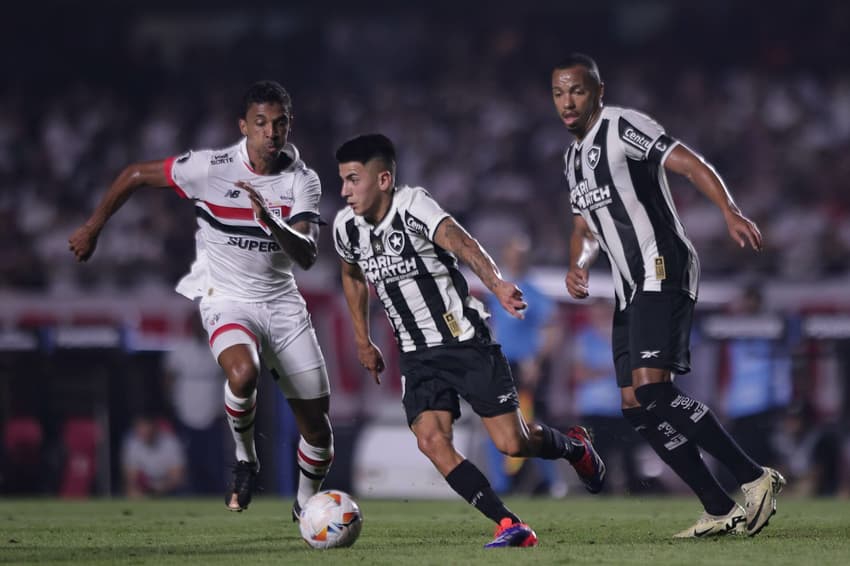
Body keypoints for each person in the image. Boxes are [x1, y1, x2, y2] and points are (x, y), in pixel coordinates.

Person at [69, 81, 334, 518]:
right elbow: (135, 174)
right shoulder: (211, 168)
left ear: (290, 127)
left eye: (279, 124)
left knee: (318, 430)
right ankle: (246, 459)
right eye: (261, 123)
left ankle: (305, 506)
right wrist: (93, 228)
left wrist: (271, 221)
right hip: (225, 296)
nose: (270, 133)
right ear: (243, 126)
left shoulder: (302, 181)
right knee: (243, 372)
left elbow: (306, 254)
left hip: (283, 305)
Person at [332, 133, 606, 548]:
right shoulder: (345, 227)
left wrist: (496, 285)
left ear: (384, 179)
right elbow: (352, 275)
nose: (345, 191)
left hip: (463, 341)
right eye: (342, 181)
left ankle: (575, 448)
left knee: (511, 442)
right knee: (431, 440)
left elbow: (463, 243)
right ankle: (508, 523)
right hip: (415, 354)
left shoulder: (414, 206)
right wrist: (361, 339)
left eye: (353, 180)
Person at [554, 53, 785, 538]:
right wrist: (578, 263)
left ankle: (754, 477)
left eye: (576, 90)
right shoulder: (573, 160)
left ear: (598, 91)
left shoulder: (622, 126)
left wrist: (730, 210)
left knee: (653, 389)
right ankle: (719, 506)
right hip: (626, 285)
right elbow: (585, 228)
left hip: (662, 264)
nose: (567, 101)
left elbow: (687, 162)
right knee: (635, 405)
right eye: (558, 93)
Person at [484, 235, 565, 497]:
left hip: (525, 366)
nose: (517, 258)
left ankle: (551, 481)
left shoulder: (533, 291)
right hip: (501, 364)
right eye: (513, 253)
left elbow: (552, 328)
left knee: (532, 423)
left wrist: (538, 360)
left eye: (521, 254)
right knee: (495, 421)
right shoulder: (495, 290)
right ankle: (502, 484)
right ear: (505, 255)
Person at [122, 414, 187, 497]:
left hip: (171, 489)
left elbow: (177, 477)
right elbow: (131, 479)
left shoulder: (170, 442)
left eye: (146, 429)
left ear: (154, 428)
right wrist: (135, 491)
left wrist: (162, 488)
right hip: (146, 489)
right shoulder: (132, 444)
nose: (144, 433)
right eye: (140, 430)